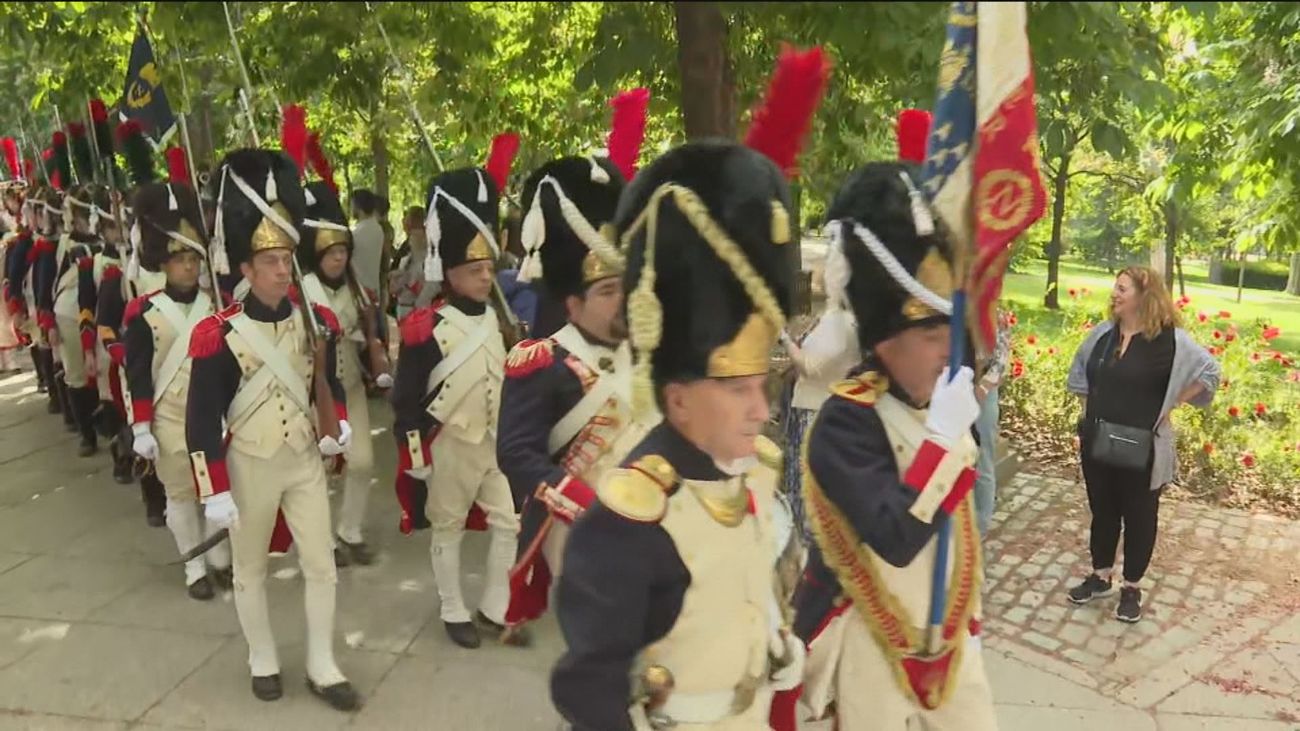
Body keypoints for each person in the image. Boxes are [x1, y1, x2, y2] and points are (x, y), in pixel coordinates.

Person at [550, 136, 808, 731]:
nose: (761, 408)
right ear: (679, 399)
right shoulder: (628, 522)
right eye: (737, 389)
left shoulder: (755, 474)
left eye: (761, 384)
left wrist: (774, 644)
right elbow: (587, 691)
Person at [774, 157, 996, 731]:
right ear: (886, 341)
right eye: (931, 335)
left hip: (949, 634)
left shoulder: (941, 408)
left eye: (951, 333)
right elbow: (896, 537)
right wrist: (942, 440)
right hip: (870, 639)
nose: (949, 351)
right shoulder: (846, 424)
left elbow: (959, 528)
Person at [185, 148, 358, 710]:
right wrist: (213, 489)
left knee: (321, 564)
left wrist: (339, 426)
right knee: (251, 569)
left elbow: (327, 383)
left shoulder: (315, 321)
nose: (285, 269)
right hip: (250, 465)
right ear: (246, 270)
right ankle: (262, 656)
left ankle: (322, 663)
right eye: (271, 261)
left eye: (287, 258)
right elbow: (200, 420)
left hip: (304, 459)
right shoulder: (218, 334)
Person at [497, 144, 649, 642]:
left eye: (624, 287)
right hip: (582, 528)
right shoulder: (543, 362)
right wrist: (587, 505)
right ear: (572, 304)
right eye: (607, 292)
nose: (622, 301)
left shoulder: (645, 354)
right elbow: (518, 454)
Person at [389, 135, 520, 650]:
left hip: (492, 442)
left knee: (509, 521)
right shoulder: (426, 327)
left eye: (489, 269)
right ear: (450, 273)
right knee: (448, 528)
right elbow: (405, 400)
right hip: (448, 444)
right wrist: (415, 455)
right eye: (474, 271)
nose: (486, 277)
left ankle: (495, 605)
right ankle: (452, 607)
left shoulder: (498, 319)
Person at [1065, 265, 1219, 623]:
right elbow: (1080, 373)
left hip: (1144, 449)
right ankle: (1101, 576)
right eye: (1115, 287)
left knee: (1139, 517)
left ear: (1144, 296)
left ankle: (1132, 587)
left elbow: (1210, 371)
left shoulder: (1171, 342)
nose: (1114, 294)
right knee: (1103, 511)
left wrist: (1173, 402)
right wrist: (1089, 415)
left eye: (1122, 289)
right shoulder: (1104, 334)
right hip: (1098, 444)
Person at [122, 181, 232, 599]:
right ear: (163, 264)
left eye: (192, 258)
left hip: (214, 415)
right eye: (179, 260)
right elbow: (137, 374)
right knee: (182, 495)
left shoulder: (216, 305)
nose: (188, 267)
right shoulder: (144, 313)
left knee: (218, 487)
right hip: (169, 417)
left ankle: (220, 559)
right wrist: (141, 427)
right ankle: (194, 567)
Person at [297, 177, 390, 566]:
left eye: (342, 251)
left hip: (350, 384)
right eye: (331, 252)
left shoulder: (356, 290)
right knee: (318, 471)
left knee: (362, 462)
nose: (338, 258)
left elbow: (373, 335)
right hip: (313, 392)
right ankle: (321, 540)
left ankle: (349, 531)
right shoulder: (300, 291)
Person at [779, 269, 859, 544]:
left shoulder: (841, 323)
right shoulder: (839, 318)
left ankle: (803, 549)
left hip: (814, 411)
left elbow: (811, 366)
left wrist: (783, 338)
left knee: (804, 489)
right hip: (817, 405)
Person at [973, 308, 1012, 535]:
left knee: (983, 458)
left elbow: (1001, 358)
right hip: (951, 387)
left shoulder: (993, 311)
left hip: (983, 390)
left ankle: (980, 527)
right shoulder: (946, 304)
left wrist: (983, 387)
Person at [349, 188, 383, 296]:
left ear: (357, 206)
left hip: (360, 289)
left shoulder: (356, 233)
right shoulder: (378, 229)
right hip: (373, 287)